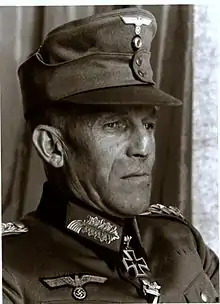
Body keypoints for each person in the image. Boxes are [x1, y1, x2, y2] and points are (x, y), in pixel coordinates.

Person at [2, 7, 219, 304]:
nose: (144, 147)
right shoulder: (10, 270)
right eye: (114, 125)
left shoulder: (182, 241)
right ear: (53, 147)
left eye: (150, 124)